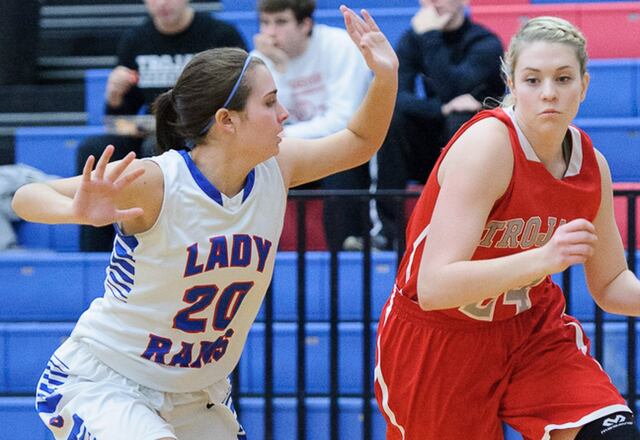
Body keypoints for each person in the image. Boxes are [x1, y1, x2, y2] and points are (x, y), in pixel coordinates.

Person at [13, 7, 397, 439]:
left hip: (199, 392)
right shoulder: (157, 180)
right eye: (270, 102)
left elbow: (360, 142)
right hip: (110, 382)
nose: (285, 113)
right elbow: (25, 196)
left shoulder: (279, 167)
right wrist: (74, 212)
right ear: (226, 121)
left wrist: (385, 77)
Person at [373, 16, 640, 439]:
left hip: (529, 331)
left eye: (563, 78)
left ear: (584, 86)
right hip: (440, 338)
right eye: (533, 80)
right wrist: (542, 258)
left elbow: (610, 283)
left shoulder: (592, 165)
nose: (549, 93)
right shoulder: (488, 147)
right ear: (512, 85)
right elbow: (434, 286)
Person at [76, 0, 247, 251]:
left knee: (152, 148)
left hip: (206, 132)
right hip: (153, 128)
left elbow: (241, 98)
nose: (163, 3)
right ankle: (98, 253)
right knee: (93, 149)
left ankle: (158, 244)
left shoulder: (220, 34)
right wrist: (114, 98)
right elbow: (118, 121)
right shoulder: (135, 39)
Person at [374, 0, 504, 249]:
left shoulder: (485, 43)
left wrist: (431, 36)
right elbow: (395, 96)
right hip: (430, 151)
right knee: (394, 118)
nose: (433, 2)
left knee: (462, 121)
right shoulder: (414, 39)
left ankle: (462, 229)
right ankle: (389, 233)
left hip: (478, 156)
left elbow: (455, 87)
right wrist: (441, 109)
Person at [253, 0, 378, 251]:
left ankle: (346, 250)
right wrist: (278, 66)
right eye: (265, 23)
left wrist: (284, 135)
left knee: (340, 157)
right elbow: (272, 116)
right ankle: (254, 251)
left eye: (281, 22)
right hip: (287, 149)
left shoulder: (339, 45)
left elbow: (343, 120)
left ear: (306, 24)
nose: (270, 32)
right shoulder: (259, 61)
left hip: (343, 147)